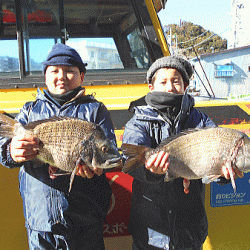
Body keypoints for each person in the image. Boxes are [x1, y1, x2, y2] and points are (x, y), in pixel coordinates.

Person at [0, 43, 117, 250]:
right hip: (41, 221)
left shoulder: (96, 111)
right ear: (45, 76)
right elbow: (6, 151)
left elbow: (109, 150)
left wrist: (96, 168)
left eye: (70, 71)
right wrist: (11, 151)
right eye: (54, 71)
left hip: (86, 220)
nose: (62, 76)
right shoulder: (29, 111)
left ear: (82, 76)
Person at [122, 55, 234, 250]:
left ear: (185, 85)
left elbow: (217, 156)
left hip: (190, 228)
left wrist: (223, 174)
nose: (170, 87)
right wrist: (150, 171)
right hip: (150, 231)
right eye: (163, 81)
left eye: (176, 81)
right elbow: (130, 162)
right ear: (151, 87)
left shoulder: (201, 120)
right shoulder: (138, 120)